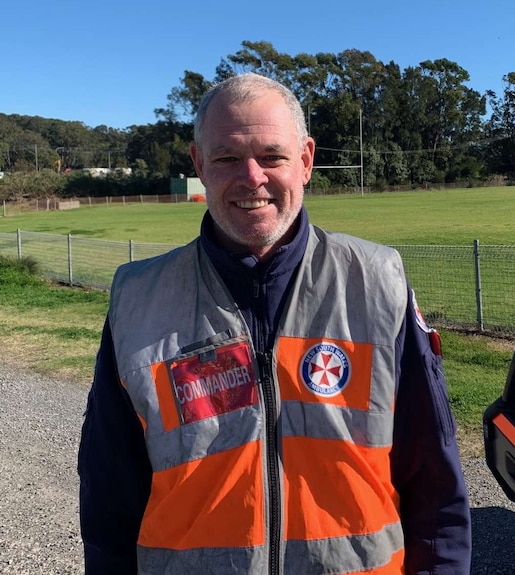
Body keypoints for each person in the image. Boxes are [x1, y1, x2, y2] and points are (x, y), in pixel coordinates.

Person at [77, 72, 472, 574]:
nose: (252, 177)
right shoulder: (139, 300)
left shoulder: (377, 284)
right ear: (199, 164)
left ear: (305, 160)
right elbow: (109, 497)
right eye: (226, 158)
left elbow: (435, 486)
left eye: (272, 156)